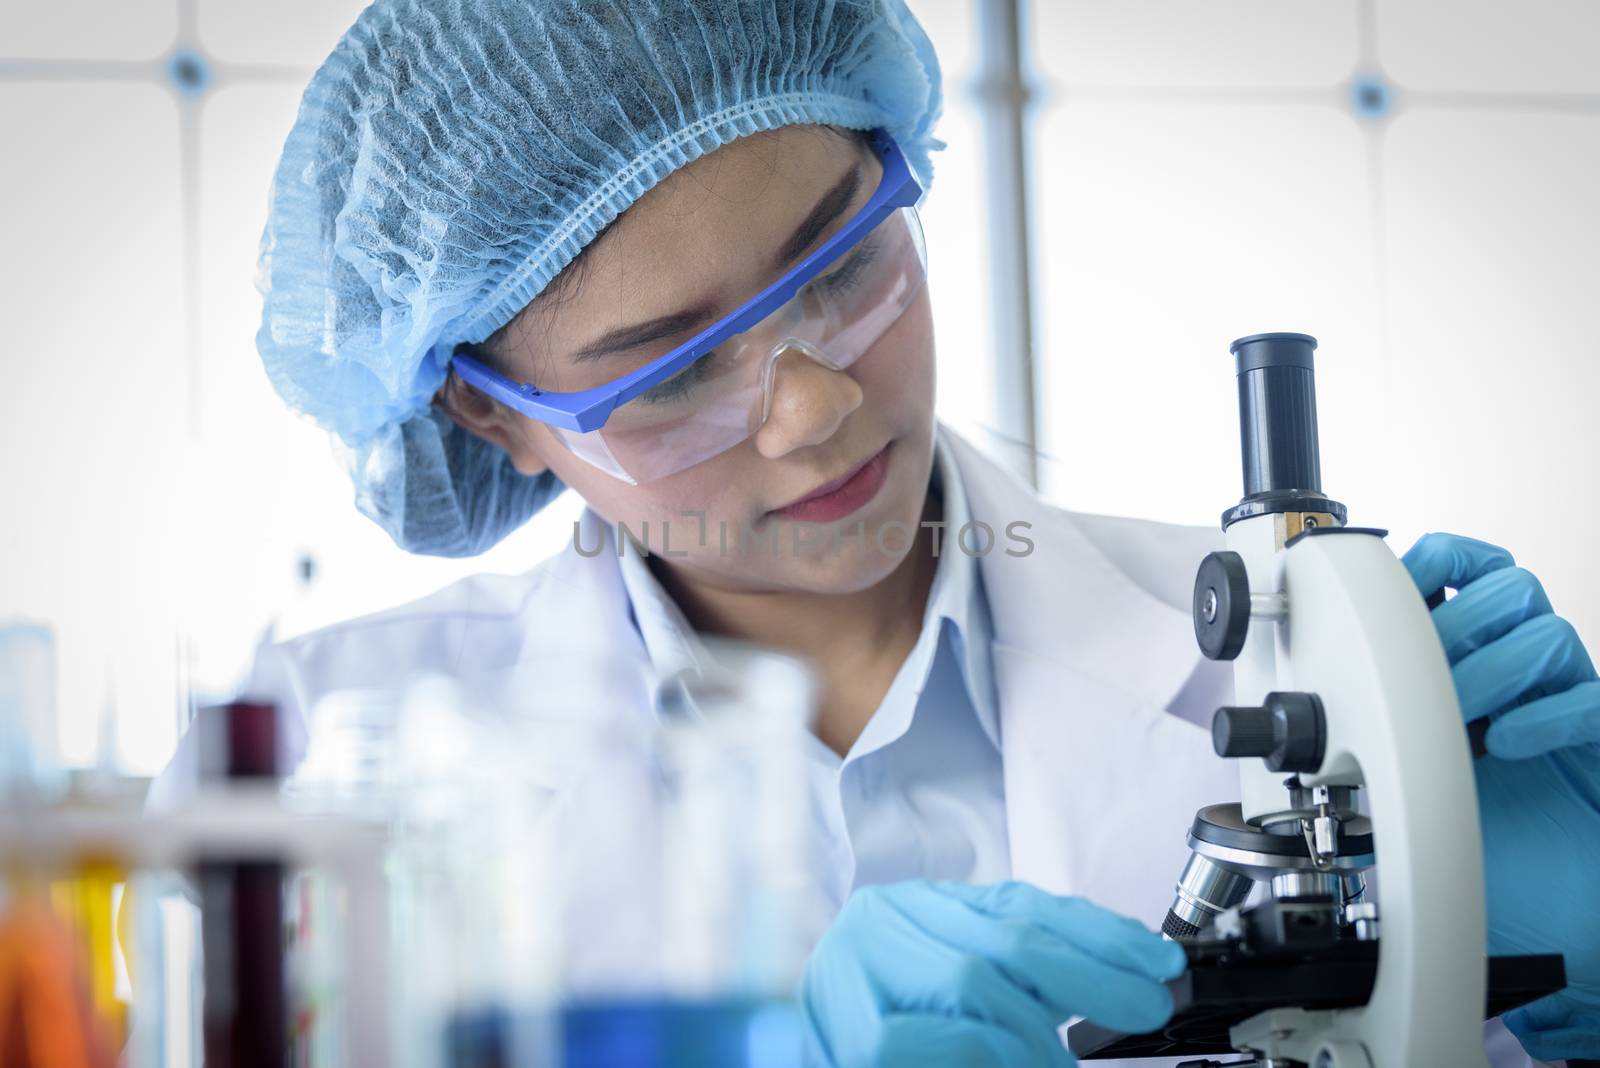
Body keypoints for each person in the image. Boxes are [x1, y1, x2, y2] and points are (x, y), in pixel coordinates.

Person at [150, 1, 1600, 1064]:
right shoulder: (314, 764)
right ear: (493, 417)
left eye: (841, 265)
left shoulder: (1327, 680)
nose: (811, 409)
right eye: (670, 372)